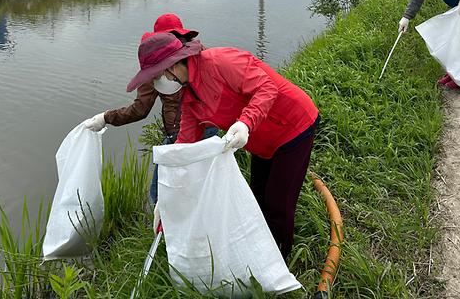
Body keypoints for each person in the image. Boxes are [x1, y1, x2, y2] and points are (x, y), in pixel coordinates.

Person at [126, 31, 319, 259]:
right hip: (260, 140)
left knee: (278, 204)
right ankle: (259, 256)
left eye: (158, 76)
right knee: (257, 199)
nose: (158, 83)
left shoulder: (221, 62)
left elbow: (267, 89)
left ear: (174, 64)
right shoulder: (189, 96)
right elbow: (184, 146)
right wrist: (166, 199)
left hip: (293, 127)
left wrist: (245, 123)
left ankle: (279, 263)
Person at [80, 13, 214, 202]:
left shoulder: (158, 65)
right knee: (203, 188)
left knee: (159, 195)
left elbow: (140, 109)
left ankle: (166, 229)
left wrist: (105, 117)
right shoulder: (198, 53)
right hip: (209, 130)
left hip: (180, 137)